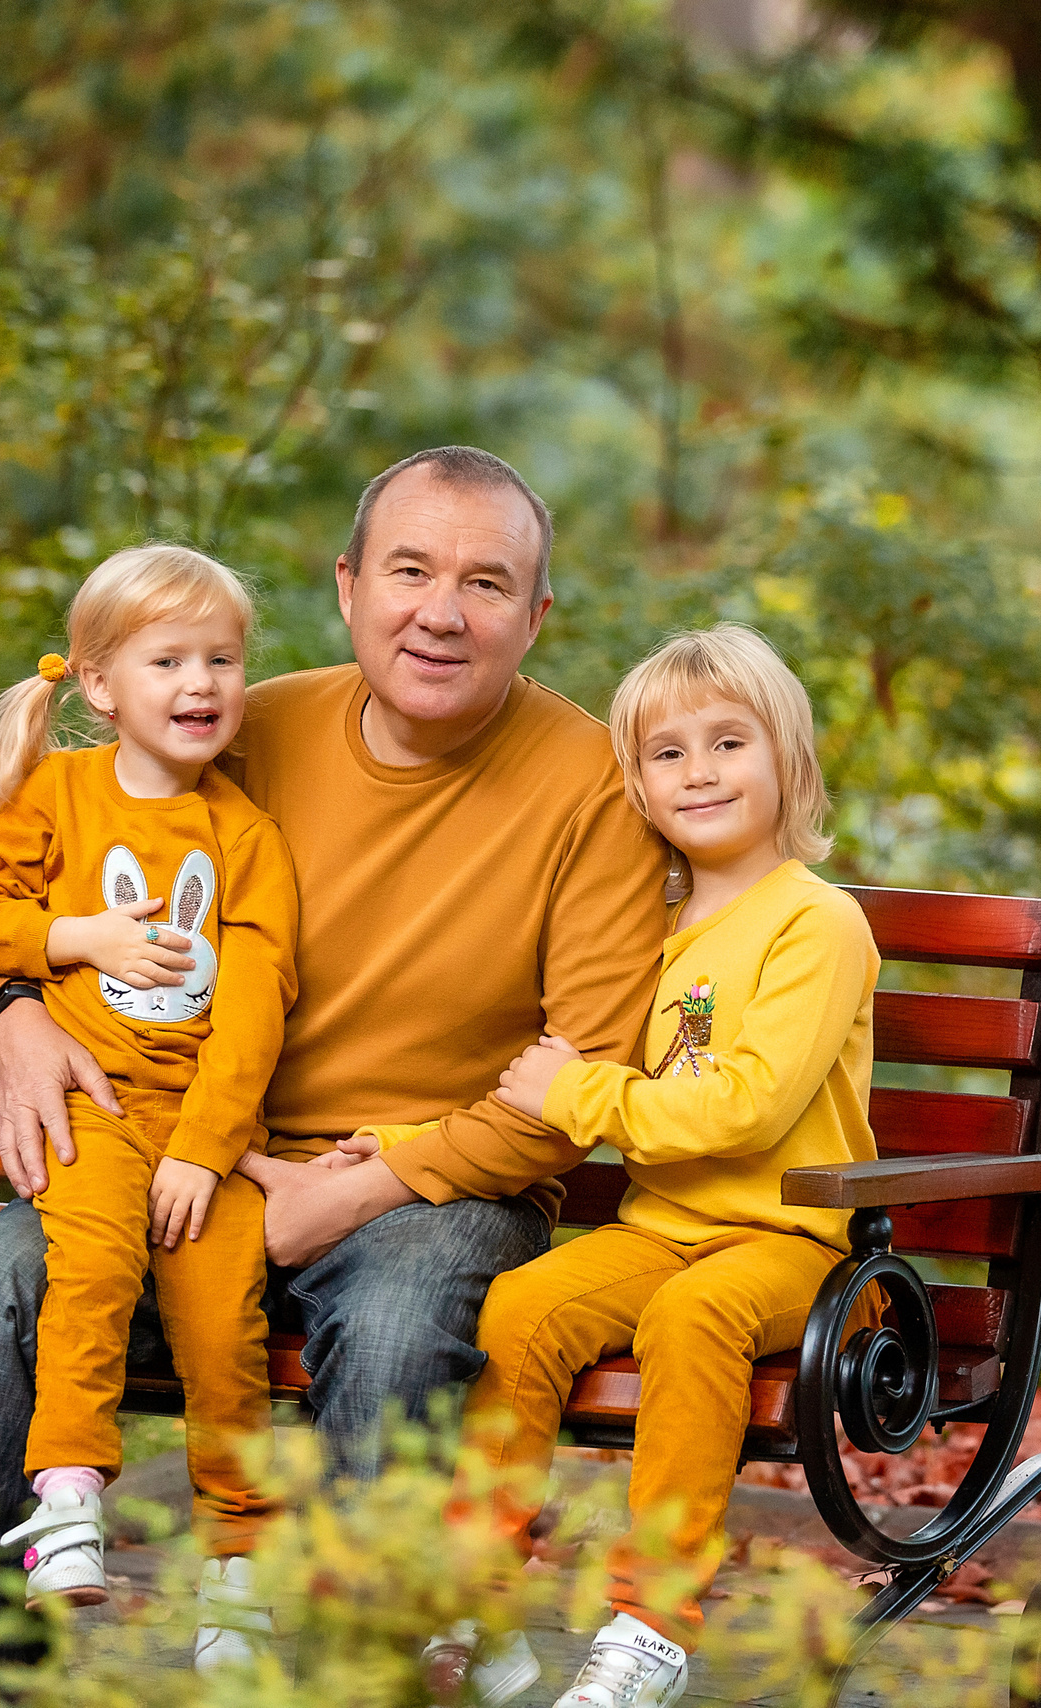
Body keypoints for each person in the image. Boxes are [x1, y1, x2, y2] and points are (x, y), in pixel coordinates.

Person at [0, 447, 672, 1701]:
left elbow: (574, 1088)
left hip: (430, 1185)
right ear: (347, 585)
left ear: (536, 616)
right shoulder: (243, 724)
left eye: (485, 584)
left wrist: (353, 1191)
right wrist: (10, 1017)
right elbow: (50, 894)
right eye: (409, 571)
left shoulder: (592, 786)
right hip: (182, 1150)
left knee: (388, 1330)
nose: (440, 613)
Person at [426, 624, 879, 1708]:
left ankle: (650, 1626)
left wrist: (576, 1094)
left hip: (799, 1248)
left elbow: (748, 1108)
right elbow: (546, 1078)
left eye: (728, 742)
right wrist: (401, 1145)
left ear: (786, 755)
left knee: (694, 1316)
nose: (699, 771)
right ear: (638, 784)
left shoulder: (817, 921)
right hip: (660, 1233)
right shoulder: (657, 927)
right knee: (522, 1307)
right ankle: (476, 1599)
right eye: (667, 753)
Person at [0, 545, 299, 1670]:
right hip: (88, 1104)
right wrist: (80, 937)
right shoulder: (58, 795)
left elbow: (254, 1012)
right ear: (98, 683)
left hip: (201, 1135)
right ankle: (65, 1498)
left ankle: (238, 1569)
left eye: (222, 660)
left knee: (225, 1333)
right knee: (92, 1267)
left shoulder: (245, 837)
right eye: (169, 661)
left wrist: (205, 1149)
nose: (202, 683)